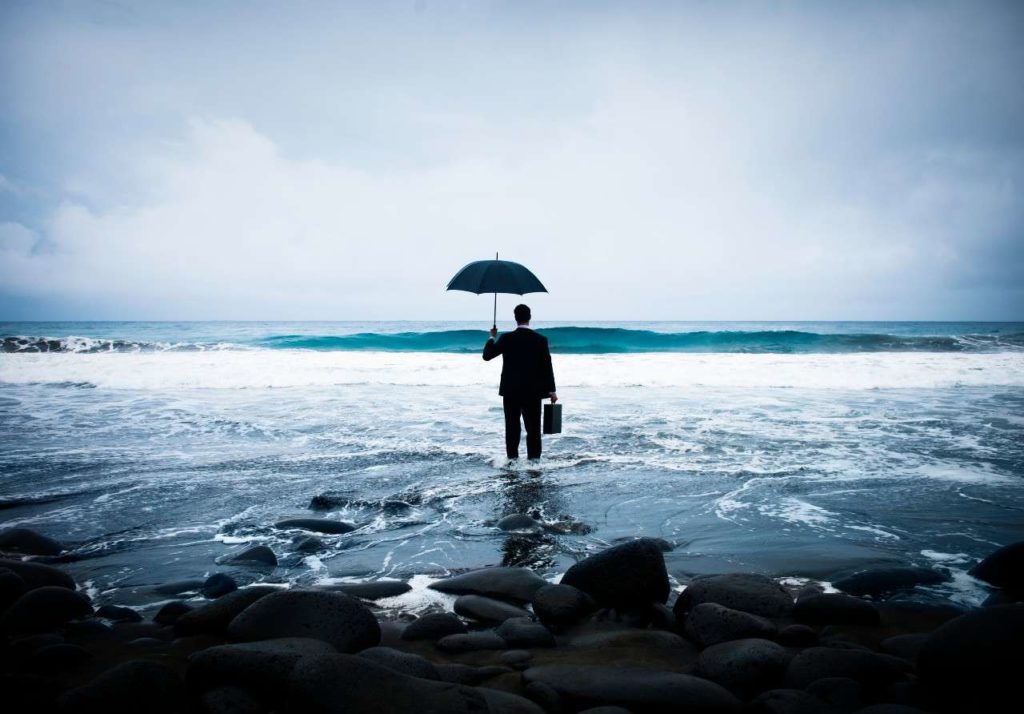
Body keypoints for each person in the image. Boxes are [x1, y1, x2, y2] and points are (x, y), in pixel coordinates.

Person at [482, 304, 557, 461]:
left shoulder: (506, 338)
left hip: (510, 390)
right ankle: (534, 462)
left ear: (515, 318)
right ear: (530, 317)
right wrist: (552, 390)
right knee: (533, 428)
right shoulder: (540, 340)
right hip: (533, 391)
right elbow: (546, 366)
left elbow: (487, 356)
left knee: (512, 427)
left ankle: (512, 461)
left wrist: (492, 337)